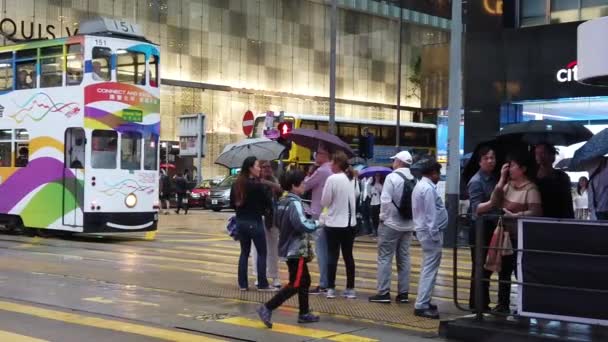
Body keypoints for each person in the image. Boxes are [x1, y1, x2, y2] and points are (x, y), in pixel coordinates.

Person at [257, 170, 321, 328]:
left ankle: (304, 313)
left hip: (288, 247)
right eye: (302, 183)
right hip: (296, 250)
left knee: (305, 281)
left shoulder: (282, 201)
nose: (305, 185)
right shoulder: (295, 203)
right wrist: (317, 224)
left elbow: (279, 222)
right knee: (296, 283)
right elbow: (302, 224)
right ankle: (267, 307)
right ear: (294, 186)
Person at [489, 151, 542, 313]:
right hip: (506, 236)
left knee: (521, 273)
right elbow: (494, 202)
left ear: (523, 168)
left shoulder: (531, 189)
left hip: (521, 237)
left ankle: (523, 306)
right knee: (503, 271)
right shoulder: (508, 185)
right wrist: (501, 180)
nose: (509, 168)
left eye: (512, 165)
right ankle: (502, 304)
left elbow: (537, 212)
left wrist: (517, 215)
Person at [369, 151, 415, 304]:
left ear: (400, 162)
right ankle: (403, 294)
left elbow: (386, 201)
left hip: (391, 224)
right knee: (404, 259)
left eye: (395, 159)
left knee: (384, 257)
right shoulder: (414, 178)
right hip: (408, 225)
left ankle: (383, 293)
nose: (393, 162)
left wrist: (382, 218)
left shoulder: (392, 177)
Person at [230, 156, 274, 291]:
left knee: (244, 252)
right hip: (255, 222)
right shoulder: (257, 185)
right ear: (250, 168)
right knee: (262, 253)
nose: (259, 168)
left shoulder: (236, 184)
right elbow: (268, 203)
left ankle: (242, 284)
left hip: (241, 222)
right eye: (257, 166)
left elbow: (232, 204)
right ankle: (262, 284)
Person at [412, 159, 447, 319]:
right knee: (430, 270)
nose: (439, 176)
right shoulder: (427, 189)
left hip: (424, 231)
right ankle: (421, 304)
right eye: (438, 173)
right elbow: (431, 215)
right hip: (430, 233)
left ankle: (424, 301)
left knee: (429, 268)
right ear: (433, 173)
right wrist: (434, 236)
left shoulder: (421, 186)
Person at [320, 151, 357, 299]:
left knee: (332, 256)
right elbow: (357, 196)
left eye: (332, 163)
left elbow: (325, 201)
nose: (330, 165)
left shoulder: (332, 179)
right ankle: (350, 288)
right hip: (350, 223)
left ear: (337, 164)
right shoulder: (352, 178)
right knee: (348, 256)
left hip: (334, 223)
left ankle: (331, 288)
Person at [467, 146, 499, 311]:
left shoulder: (494, 178)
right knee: (479, 266)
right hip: (479, 229)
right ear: (480, 162)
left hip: (491, 226)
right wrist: (493, 203)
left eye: (492, 157)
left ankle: (481, 303)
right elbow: (476, 208)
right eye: (486, 158)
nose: (490, 161)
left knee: (486, 267)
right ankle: (477, 304)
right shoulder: (476, 181)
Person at [303, 144, 333, 295]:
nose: (316, 155)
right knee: (329, 252)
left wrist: (309, 172)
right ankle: (328, 282)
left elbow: (304, 186)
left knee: (321, 252)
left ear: (325, 154)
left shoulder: (321, 171)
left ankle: (323, 284)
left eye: (318, 153)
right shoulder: (333, 169)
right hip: (332, 217)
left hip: (319, 215)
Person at [252, 160, 283, 288]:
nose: (267, 169)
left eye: (269, 167)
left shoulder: (274, 180)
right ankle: (259, 276)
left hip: (273, 219)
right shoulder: (254, 181)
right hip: (258, 218)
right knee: (257, 250)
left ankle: (274, 276)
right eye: (264, 167)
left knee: (273, 249)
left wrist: (270, 184)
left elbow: (281, 190)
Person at [534, 144, 574, 219]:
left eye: (542, 153)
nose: (539, 156)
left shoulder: (562, 177)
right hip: (537, 219)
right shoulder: (532, 176)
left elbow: (568, 204)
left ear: (552, 156)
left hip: (557, 218)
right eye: (536, 153)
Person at [369, 173, 384, 238]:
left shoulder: (380, 185)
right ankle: (374, 231)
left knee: (378, 218)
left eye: (378, 176)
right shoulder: (371, 185)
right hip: (372, 203)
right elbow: (369, 194)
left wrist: (378, 189)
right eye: (376, 176)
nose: (377, 177)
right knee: (373, 218)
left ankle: (378, 232)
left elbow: (383, 193)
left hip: (378, 203)